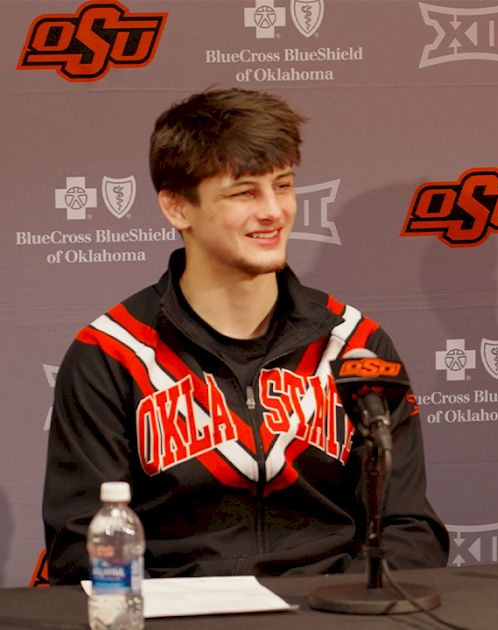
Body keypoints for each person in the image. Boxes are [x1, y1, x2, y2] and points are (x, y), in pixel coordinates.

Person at [43, 88, 449, 583]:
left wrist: (342, 606)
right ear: (177, 208)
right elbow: (81, 545)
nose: (274, 211)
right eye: (244, 193)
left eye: (283, 186)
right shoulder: (111, 352)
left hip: (328, 611)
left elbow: (408, 527)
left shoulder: (355, 344)